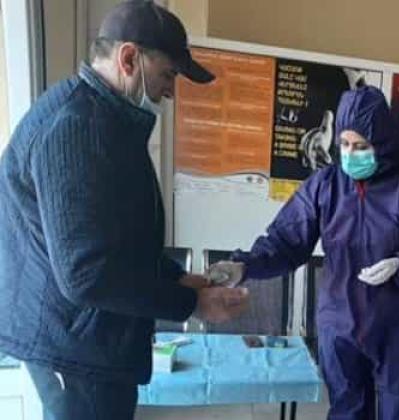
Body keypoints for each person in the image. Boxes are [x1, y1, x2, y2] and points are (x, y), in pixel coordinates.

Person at [0, 2, 249, 419]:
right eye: (168, 74)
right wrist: (191, 304)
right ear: (129, 58)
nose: (171, 91)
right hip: (76, 353)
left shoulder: (105, 119)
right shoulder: (76, 127)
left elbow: (114, 236)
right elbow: (85, 274)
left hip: (91, 344)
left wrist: (176, 277)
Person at [230, 85, 399, 419]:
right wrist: (245, 266)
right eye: (344, 144)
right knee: (347, 409)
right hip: (341, 322)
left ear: (383, 142)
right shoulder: (325, 186)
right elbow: (285, 241)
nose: (351, 154)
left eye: (361, 146)